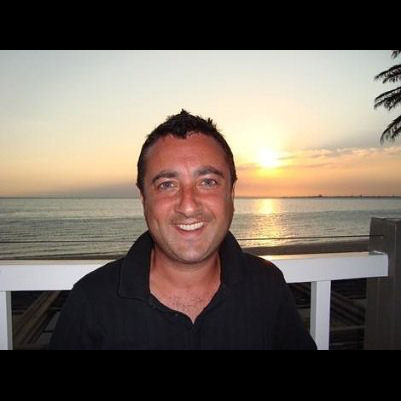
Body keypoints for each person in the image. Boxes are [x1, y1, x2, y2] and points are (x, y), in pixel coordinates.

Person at [49, 110, 317, 350]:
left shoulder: (267, 285)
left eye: (208, 182)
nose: (188, 206)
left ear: (231, 194)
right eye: (167, 185)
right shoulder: (91, 301)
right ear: (144, 198)